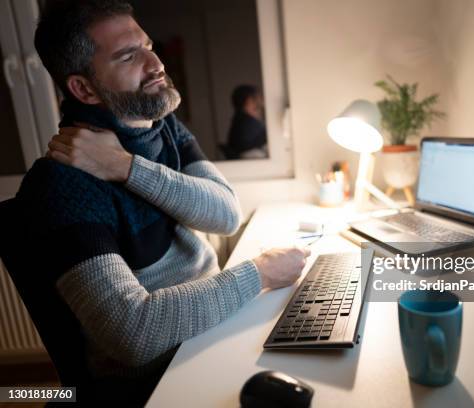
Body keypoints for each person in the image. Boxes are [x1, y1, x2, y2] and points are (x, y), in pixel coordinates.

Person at [16, 0, 309, 405]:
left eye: (148, 45)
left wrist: (125, 166)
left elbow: (225, 214)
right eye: (128, 55)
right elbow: (133, 333)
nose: (156, 64)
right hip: (160, 379)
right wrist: (258, 274)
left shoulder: (161, 125)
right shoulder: (61, 185)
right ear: (83, 88)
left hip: (212, 328)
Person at [225, 84, 268, 159]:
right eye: (258, 97)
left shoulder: (239, 120)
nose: (261, 100)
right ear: (249, 100)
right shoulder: (247, 122)